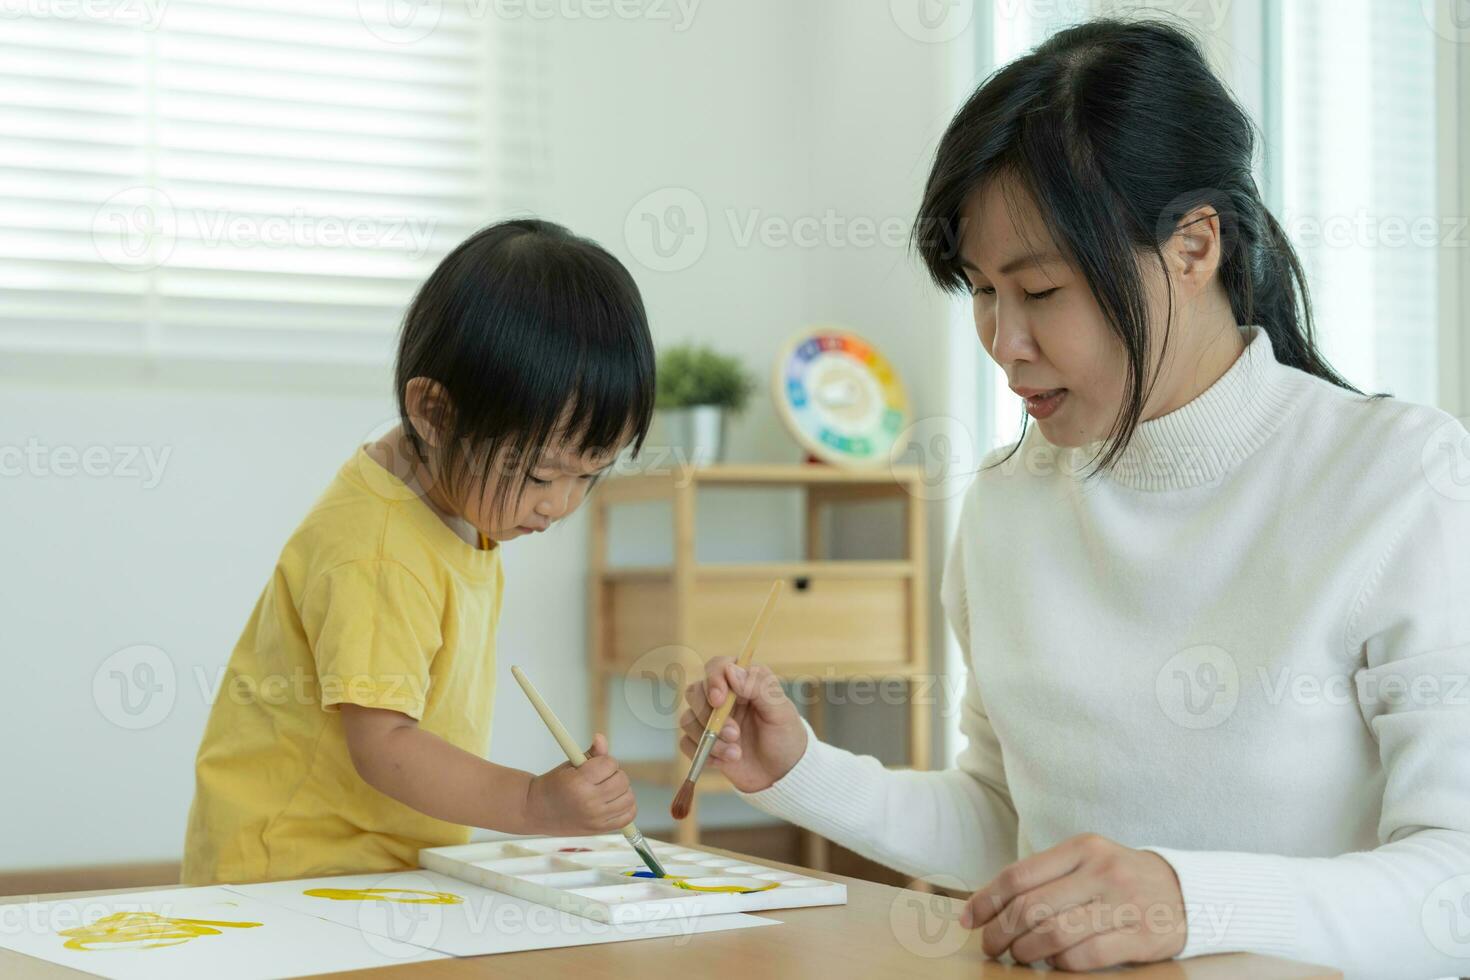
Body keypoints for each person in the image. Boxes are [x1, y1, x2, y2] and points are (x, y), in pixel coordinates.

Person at [679, 20, 1469, 978]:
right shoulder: (1010, 506)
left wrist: (1187, 900)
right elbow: (1009, 821)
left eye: (1041, 290)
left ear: (1194, 245)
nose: (1004, 341)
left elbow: (1451, 890)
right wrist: (803, 772)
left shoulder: (1398, 479)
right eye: (980, 292)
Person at [183, 219, 655, 885]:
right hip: (293, 870)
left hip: (381, 862)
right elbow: (385, 745)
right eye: (544, 475)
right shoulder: (378, 550)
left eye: (592, 474)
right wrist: (532, 801)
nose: (562, 504)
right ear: (435, 414)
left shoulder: (459, 506)